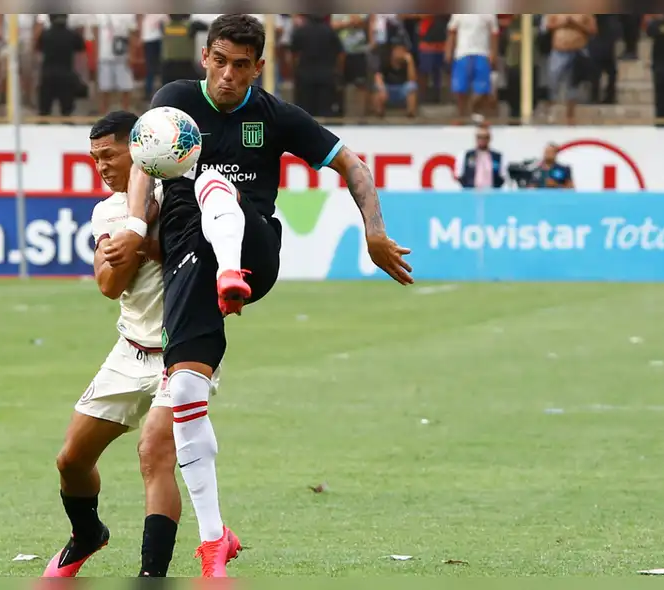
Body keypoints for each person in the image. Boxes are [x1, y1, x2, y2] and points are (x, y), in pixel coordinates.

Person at [103, 14, 413, 578]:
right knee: (188, 390)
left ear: (258, 67)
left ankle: (231, 275)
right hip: (188, 260)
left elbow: (353, 164)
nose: (227, 75)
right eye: (219, 61)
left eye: (241, 66)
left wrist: (373, 230)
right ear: (205, 57)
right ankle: (215, 537)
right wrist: (130, 222)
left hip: (254, 252)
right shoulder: (173, 100)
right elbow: (146, 161)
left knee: (210, 181)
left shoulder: (274, 116)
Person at [43, 111, 221, 579]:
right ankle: (87, 534)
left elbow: (189, 254)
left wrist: (143, 229)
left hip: (182, 352)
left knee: (154, 452)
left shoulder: (182, 191)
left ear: (138, 149)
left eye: (109, 155)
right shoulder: (107, 211)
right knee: (71, 461)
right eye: (94, 158)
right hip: (129, 351)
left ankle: (152, 575)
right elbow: (108, 283)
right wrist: (137, 231)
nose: (101, 166)